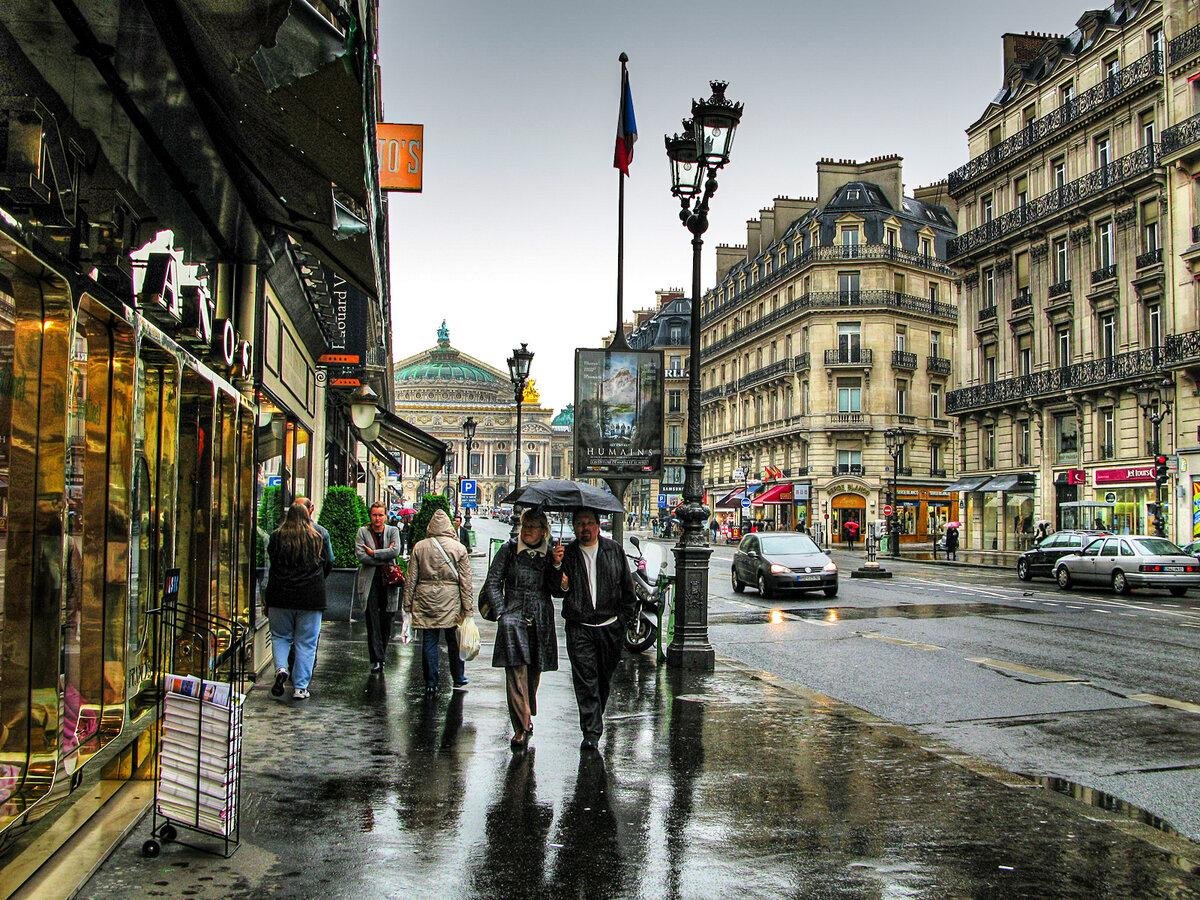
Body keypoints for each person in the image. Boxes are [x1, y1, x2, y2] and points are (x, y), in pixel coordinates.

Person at [551, 508, 636, 751]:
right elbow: (557, 591)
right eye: (579, 523)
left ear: (598, 526)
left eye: (589, 523)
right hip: (580, 627)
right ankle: (591, 731)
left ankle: (594, 719)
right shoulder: (567, 554)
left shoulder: (614, 550)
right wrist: (557, 569)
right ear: (574, 527)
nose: (584, 528)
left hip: (610, 627)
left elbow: (627, 589)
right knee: (586, 680)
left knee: (603, 679)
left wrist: (624, 622)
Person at [483, 509, 562, 750]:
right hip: (513, 615)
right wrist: (501, 612)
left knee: (534, 670)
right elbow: (493, 582)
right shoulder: (508, 550)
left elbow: (557, 591)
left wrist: (558, 566)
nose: (527, 530)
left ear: (543, 530)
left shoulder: (550, 554)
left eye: (533, 526)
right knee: (516, 670)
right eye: (525, 525)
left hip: (539, 617)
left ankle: (527, 707)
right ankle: (521, 725)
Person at [404, 509, 474, 693]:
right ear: (449, 526)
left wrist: (407, 604)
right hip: (451, 599)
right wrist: (468, 609)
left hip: (425, 597)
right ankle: (458, 676)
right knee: (454, 640)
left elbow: (411, 578)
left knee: (429, 639)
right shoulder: (459, 548)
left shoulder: (420, 547)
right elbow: (466, 581)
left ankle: (431, 683)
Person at [264, 504, 327, 700]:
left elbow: (272, 562)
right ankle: (300, 687)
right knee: (306, 643)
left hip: (280, 595)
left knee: (280, 636)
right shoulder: (317, 537)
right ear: (308, 516)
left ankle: (282, 668)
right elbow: (327, 563)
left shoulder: (276, 536)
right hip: (310, 597)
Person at [355, 501, 403, 673]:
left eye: (380, 515)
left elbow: (395, 552)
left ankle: (381, 654)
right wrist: (384, 555)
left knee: (387, 619)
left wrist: (374, 553)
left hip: (389, 580)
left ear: (386, 515)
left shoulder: (393, 531)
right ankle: (377, 659)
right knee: (372, 619)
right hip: (370, 581)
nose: (377, 518)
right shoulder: (362, 532)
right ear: (370, 516)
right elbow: (361, 556)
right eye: (374, 515)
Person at [295, 496, 334, 574]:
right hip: (313, 580)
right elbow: (330, 560)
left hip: (287, 581)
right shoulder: (321, 532)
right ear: (311, 509)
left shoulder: (280, 533)